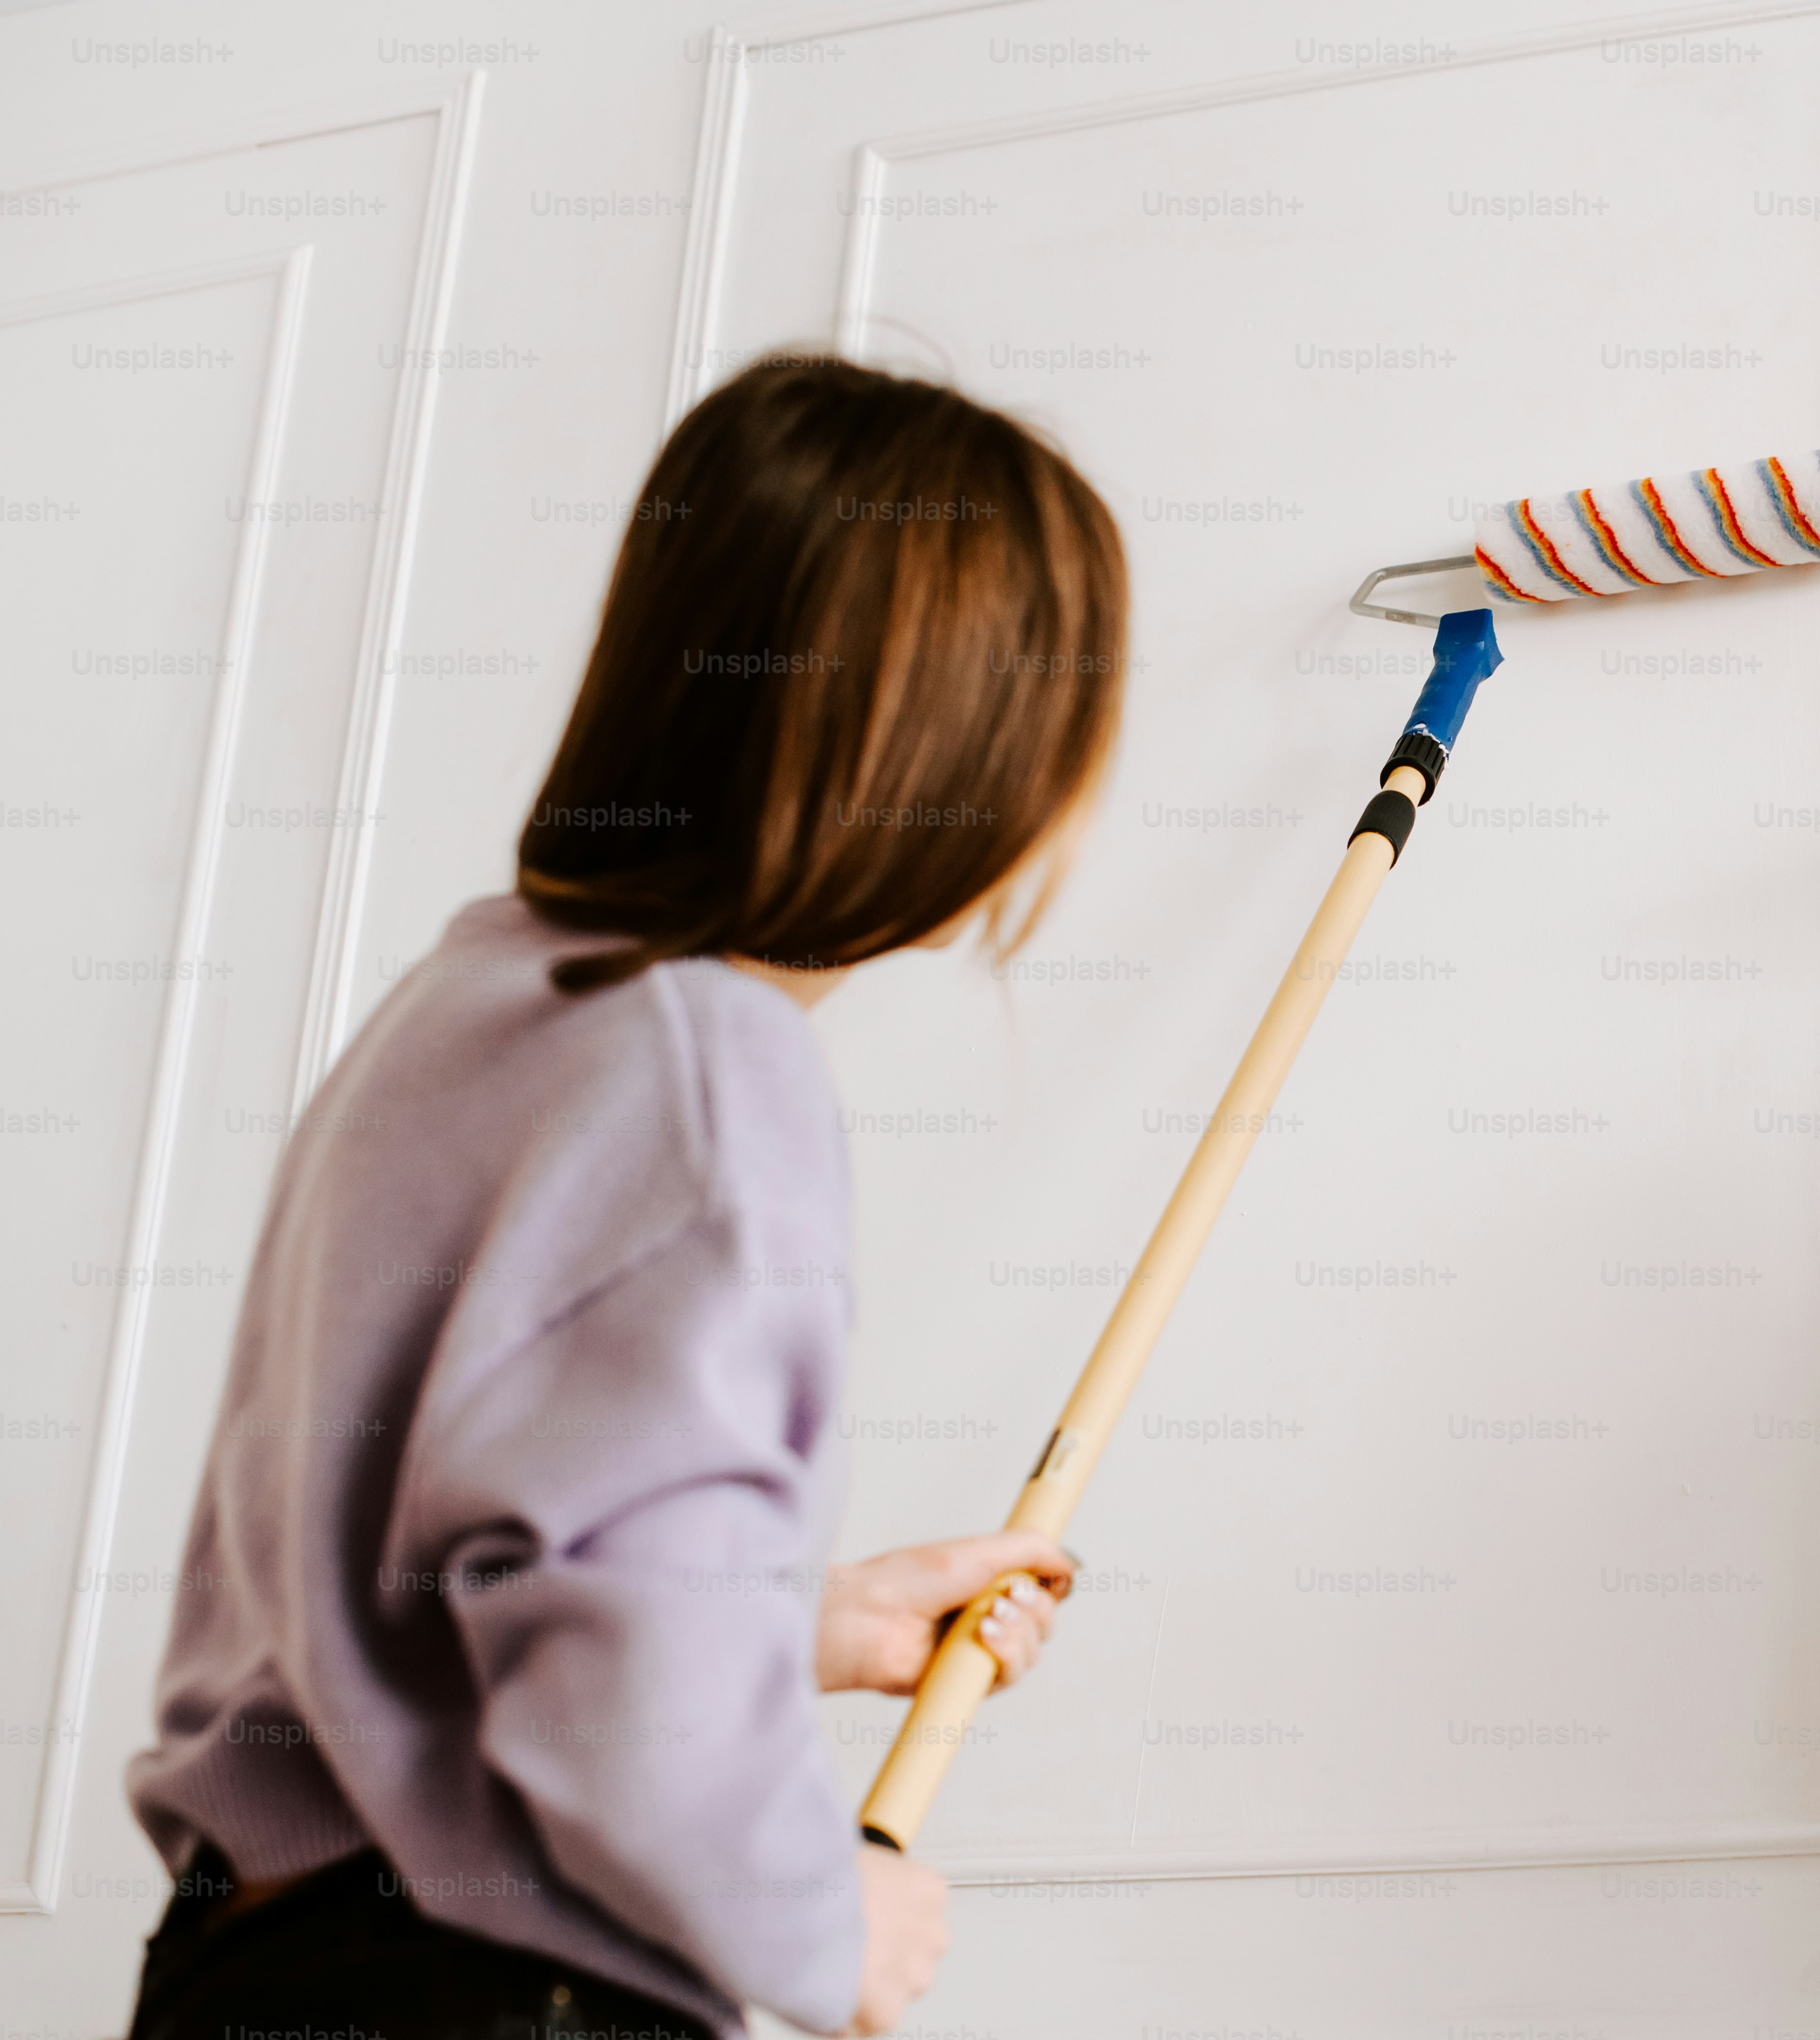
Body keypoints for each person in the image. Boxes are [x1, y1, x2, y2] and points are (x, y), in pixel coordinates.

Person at [124, 356, 1127, 2038]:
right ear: (964, 754)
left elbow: (447, 1574)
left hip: (244, 1958)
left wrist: (795, 1619)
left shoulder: (472, 1009)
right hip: (486, 1984)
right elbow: (628, 1708)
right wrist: (823, 1916)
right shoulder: (707, 1062)